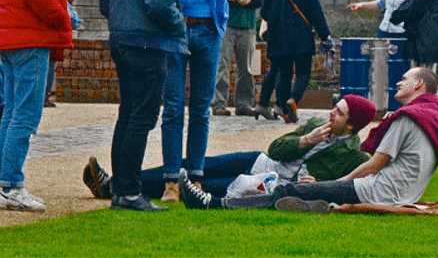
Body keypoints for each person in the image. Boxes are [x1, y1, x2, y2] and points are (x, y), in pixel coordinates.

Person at [178, 67, 438, 216]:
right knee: (298, 192)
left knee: (287, 191)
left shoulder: (410, 117)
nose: (400, 81)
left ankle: (215, 204)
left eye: (406, 78)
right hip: (398, 195)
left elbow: (373, 166)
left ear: (420, 86)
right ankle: (313, 204)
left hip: (375, 192)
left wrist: (338, 183)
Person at [83, 94, 376, 199]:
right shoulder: (314, 127)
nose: (331, 114)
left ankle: (116, 188)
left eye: (339, 113)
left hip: (270, 183)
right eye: (334, 108)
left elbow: (343, 186)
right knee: (192, 166)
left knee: (200, 186)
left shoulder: (351, 154)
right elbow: (275, 148)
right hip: (261, 162)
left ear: (352, 125)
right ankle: (119, 185)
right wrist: (303, 141)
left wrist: (317, 182)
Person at [99, 0, 187, 212]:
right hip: (149, 45)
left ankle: (121, 190)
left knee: (128, 114)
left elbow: (104, 3)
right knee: (143, 118)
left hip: (120, 41)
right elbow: (160, 4)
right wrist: (180, 28)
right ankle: (130, 193)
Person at [160, 0, 247, 203]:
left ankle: (194, 178)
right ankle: (170, 180)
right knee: (172, 107)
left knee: (201, 109)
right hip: (176, 28)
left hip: (210, 30)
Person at [0, 0, 77, 213]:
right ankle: (11, 184)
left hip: (10, 35)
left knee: (11, 112)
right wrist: (63, 19)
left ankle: (4, 181)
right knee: (26, 116)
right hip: (30, 37)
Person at [260, 0, 332, 123]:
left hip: (278, 39)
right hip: (301, 38)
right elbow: (316, 12)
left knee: (284, 74)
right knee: (303, 73)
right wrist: (325, 35)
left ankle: (286, 112)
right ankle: (293, 100)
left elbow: (264, 13)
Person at [211, 0, 267, 118]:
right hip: (226, 25)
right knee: (222, 65)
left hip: (248, 26)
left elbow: (262, 1)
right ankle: (219, 103)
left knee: (246, 68)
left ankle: (243, 104)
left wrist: (250, 0)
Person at [253, 0, 283, 120]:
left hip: (276, 30)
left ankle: (265, 103)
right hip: (274, 30)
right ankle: (272, 103)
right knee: (279, 69)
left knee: (276, 68)